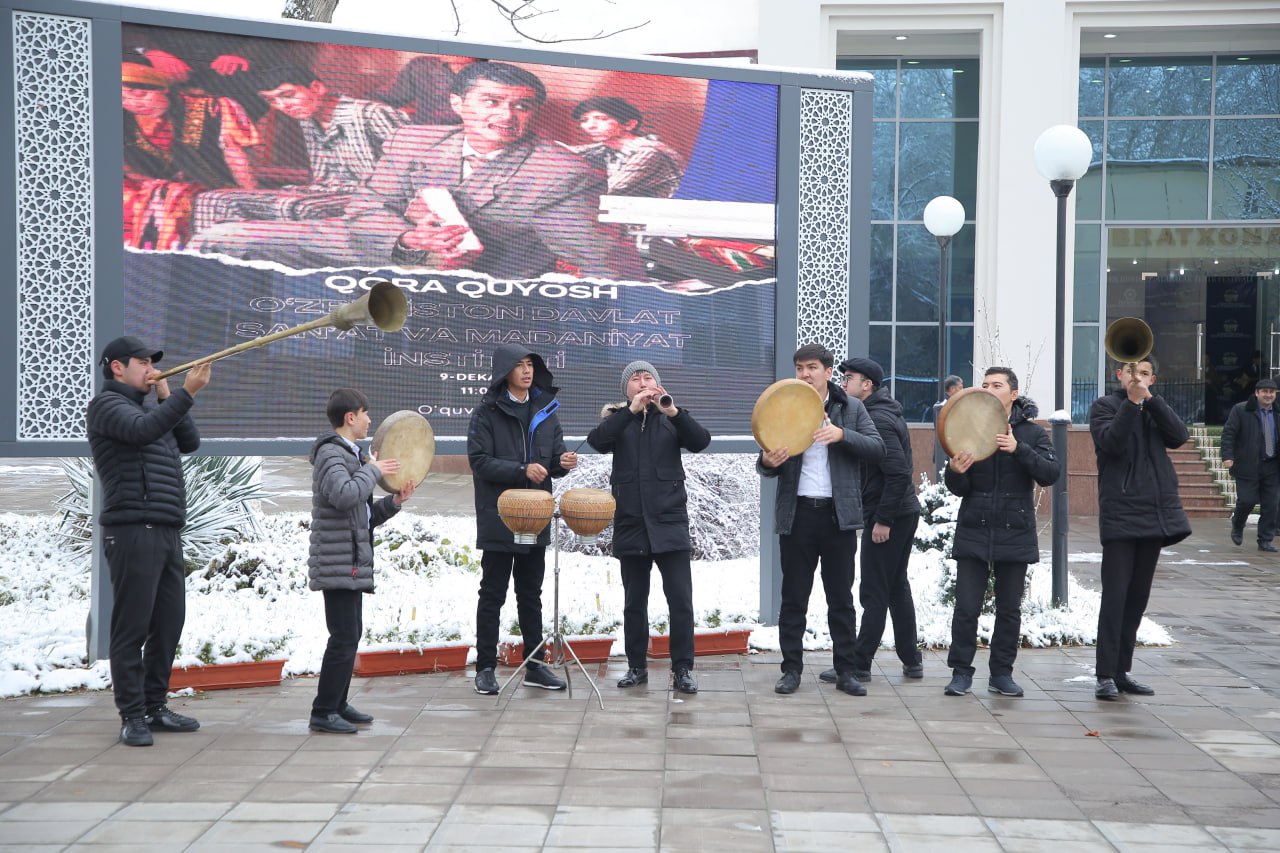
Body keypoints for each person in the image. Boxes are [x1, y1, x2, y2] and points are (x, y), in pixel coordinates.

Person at [194, 61, 644, 280]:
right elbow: (367, 206)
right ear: (458, 104)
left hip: (465, 278)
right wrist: (407, 238)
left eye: (522, 106)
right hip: (385, 246)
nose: (507, 116)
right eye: (492, 102)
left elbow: (605, 262)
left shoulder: (561, 171)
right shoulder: (413, 139)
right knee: (221, 239)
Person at [86, 336, 212, 746]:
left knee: (168, 623)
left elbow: (189, 442)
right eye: (142, 362)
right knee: (133, 627)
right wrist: (186, 394)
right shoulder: (107, 407)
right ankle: (132, 715)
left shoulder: (150, 411)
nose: (151, 368)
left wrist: (170, 396)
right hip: (131, 530)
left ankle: (155, 706)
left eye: (150, 362)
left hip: (166, 529)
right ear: (117, 367)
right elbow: (142, 433)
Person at [758, 344, 885, 697]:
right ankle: (791, 670)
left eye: (812, 367)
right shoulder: (785, 405)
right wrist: (768, 461)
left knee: (841, 599)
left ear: (828, 372)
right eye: (800, 368)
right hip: (797, 514)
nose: (805, 374)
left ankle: (846, 671)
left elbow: (878, 449)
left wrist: (841, 435)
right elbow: (765, 461)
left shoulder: (851, 408)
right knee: (793, 598)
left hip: (837, 516)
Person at [587, 361, 711, 694]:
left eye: (648, 378)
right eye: (636, 379)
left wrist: (674, 412)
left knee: (681, 601)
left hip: (670, 522)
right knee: (634, 602)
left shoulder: (671, 416)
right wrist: (630, 411)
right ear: (626, 389)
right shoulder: (618, 420)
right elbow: (597, 441)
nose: (643, 383)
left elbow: (701, 441)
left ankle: (682, 669)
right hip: (631, 523)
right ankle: (636, 667)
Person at [942, 366, 1059, 699]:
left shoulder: (1032, 433)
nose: (989, 390)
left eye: (997, 385)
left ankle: (1001, 674)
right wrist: (955, 472)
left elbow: (1050, 473)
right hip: (974, 528)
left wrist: (1018, 448)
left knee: (1009, 610)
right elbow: (959, 488)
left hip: (1014, 531)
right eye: (985, 384)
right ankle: (960, 673)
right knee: (966, 608)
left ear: (1013, 394)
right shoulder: (971, 426)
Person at [468, 345, 578, 694]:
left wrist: (562, 463)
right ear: (505, 372)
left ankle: (536, 666)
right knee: (493, 594)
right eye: (519, 365)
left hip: (536, 516)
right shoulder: (486, 412)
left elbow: (552, 462)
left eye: (530, 365)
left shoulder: (545, 410)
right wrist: (521, 469)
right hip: (500, 517)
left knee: (531, 594)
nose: (527, 371)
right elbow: (479, 461)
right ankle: (485, 668)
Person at [307, 388, 415, 734]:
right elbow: (343, 495)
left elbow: (362, 516)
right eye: (365, 413)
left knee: (351, 634)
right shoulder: (331, 453)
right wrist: (373, 470)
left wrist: (393, 503)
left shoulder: (350, 455)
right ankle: (323, 711)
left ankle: (337, 703)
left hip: (350, 560)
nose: (370, 420)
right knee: (343, 637)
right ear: (350, 417)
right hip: (337, 561)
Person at [193, 65, 409, 231]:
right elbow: (323, 177)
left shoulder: (372, 113)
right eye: (272, 100)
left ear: (317, 88)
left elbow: (414, 166)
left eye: (288, 95)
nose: (282, 106)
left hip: (375, 198)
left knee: (295, 206)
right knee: (211, 200)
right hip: (326, 192)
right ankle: (212, 264)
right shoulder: (308, 119)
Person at [1089, 356, 1191, 700]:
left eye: (1145, 373)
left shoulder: (1154, 406)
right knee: (1115, 597)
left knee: (1136, 599)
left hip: (1153, 515)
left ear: (1153, 379)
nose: (1138, 378)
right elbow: (1112, 443)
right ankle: (1104, 674)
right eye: (1132, 372)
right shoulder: (1104, 406)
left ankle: (1122, 671)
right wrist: (1132, 404)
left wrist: (1150, 401)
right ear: (1119, 374)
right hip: (1121, 514)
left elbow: (1179, 436)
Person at [817, 357, 923, 686]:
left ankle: (858, 663)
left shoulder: (877, 418)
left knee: (874, 590)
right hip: (900, 512)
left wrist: (883, 520)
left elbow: (897, 474)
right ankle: (912, 659)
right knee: (896, 586)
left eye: (849, 378)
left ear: (867, 385)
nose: (843, 383)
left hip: (891, 514)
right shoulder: (882, 411)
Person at [122, 59, 260, 250]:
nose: (134, 104)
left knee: (174, 198)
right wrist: (152, 185)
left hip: (212, 185)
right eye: (123, 99)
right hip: (153, 187)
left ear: (163, 88)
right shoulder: (123, 120)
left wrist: (250, 198)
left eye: (140, 94)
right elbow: (126, 167)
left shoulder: (213, 107)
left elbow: (236, 155)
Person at [569, 96, 684, 198]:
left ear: (629, 124)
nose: (590, 126)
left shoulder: (648, 151)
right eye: (584, 120)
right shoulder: (607, 147)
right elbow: (564, 151)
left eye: (602, 119)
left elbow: (610, 189)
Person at [1222, 378, 1279, 553]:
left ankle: (1265, 540)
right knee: (1247, 500)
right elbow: (1229, 433)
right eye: (1265, 392)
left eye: (1272, 392)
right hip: (1248, 464)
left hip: (1272, 466)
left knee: (1271, 505)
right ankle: (1238, 524)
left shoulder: (1278, 412)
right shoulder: (1241, 410)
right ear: (1256, 393)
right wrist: (1228, 456)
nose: (1268, 395)